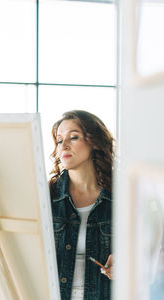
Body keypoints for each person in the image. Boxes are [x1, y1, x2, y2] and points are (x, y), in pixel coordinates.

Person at [49, 110, 114, 300]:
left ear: (94, 142)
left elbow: (144, 251)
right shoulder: (47, 196)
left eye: (74, 137)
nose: (64, 146)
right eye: (60, 140)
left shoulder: (121, 197)